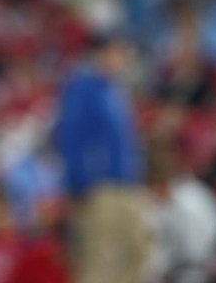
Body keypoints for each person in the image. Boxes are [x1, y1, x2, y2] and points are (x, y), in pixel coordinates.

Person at [53, 31, 150, 283]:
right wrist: (81, 183)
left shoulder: (114, 88)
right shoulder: (83, 87)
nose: (123, 58)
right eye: (118, 52)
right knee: (97, 262)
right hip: (99, 187)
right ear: (100, 53)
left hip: (125, 183)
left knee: (138, 252)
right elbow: (71, 136)